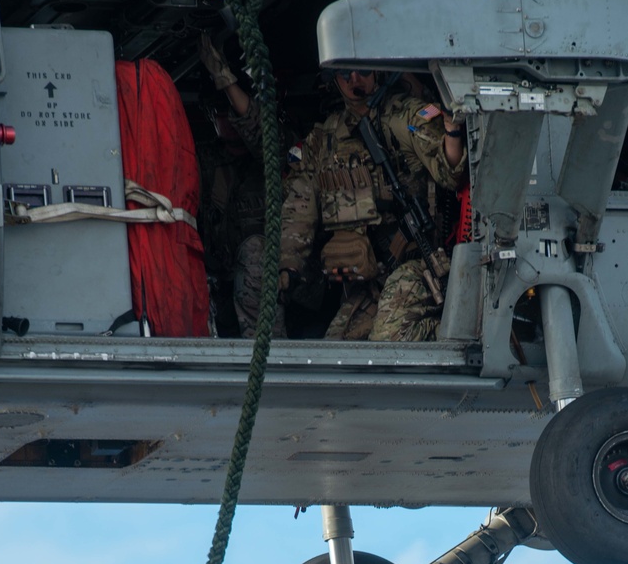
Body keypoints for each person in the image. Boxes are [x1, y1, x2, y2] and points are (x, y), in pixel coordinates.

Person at [278, 70, 467, 342]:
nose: (356, 79)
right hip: (370, 282)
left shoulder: (406, 117)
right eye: (345, 74)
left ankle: (451, 334)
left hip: (418, 269)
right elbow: (299, 204)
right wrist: (288, 264)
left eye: (363, 71)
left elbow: (449, 173)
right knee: (335, 355)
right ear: (333, 80)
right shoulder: (324, 140)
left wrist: (451, 128)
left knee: (388, 341)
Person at [197, 33, 286, 337]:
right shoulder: (208, 161)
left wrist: (226, 80)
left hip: (277, 283)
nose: (227, 123)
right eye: (218, 115)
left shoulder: (272, 156)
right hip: (223, 282)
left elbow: (263, 137)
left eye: (232, 112)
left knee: (254, 251)